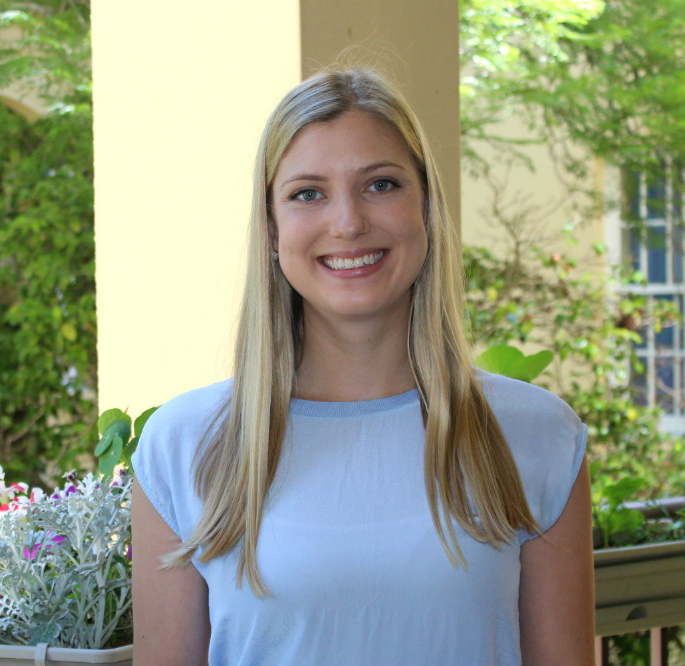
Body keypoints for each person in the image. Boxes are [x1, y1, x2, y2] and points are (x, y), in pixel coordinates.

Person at [130, 68, 595, 666]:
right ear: (271, 229)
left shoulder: (538, 436)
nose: (348, 222)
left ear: (426, 206)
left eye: (380, 184)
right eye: (307, 193)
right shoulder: (183, 446)